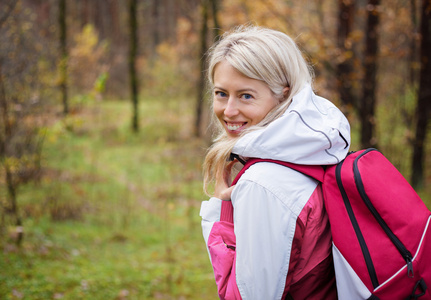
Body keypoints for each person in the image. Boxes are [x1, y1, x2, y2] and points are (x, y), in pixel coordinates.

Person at [199, 25, 350, 299]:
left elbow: (246, 295)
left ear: (283, 94)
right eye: (221, 93)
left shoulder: (264, 184)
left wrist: (221, 214)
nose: (229, 110)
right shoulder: (314, 152)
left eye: (246, 95)